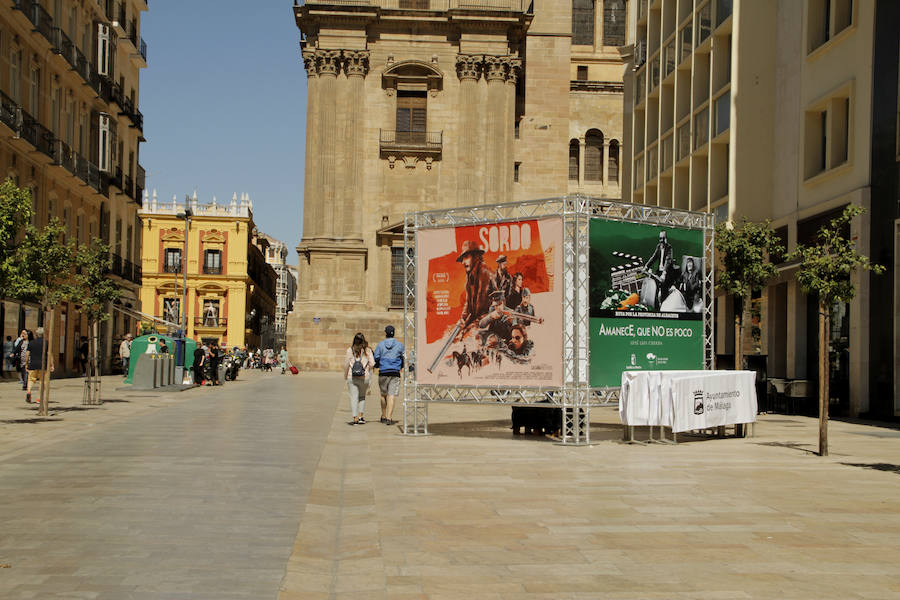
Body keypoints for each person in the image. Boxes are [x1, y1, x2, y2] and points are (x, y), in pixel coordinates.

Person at [456, 240, 494, 329]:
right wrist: (463, 318)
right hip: (479, 318)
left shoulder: (484, 271)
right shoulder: (470, 275)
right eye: (463, 259)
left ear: (475, 256)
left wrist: (467, 322)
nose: (463, 262)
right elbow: (468, 302)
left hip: (490, 319)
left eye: (466, 257)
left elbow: (480, 305)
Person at [373, 325, 404, 425]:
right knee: (391, 395)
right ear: (394, 333)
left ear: (385, 333)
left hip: (383, 371)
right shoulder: (399, 345)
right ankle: (390, 418)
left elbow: (376, 357)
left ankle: (383, 415)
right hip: (395, 372)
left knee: (383, 395)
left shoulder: (380, 345)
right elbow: (404, 357)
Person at [345, 332, 375, 425]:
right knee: (362, 397)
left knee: (353, 397)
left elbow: (346, 365)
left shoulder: (350, 350)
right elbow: (373, 363)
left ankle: (355, 418)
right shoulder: (368, 350)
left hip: (352, 377)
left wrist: (345, 375)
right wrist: (367, 368)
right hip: (364, 377)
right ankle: (361, 416)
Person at [644, 230, 675, 307]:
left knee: (664, 290)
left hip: (667, 272)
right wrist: (646, 266)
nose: (661, 240)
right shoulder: (658, 247)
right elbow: (653, 257)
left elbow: (668, 260)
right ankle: (656, 307)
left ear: (666, 239)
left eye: (663, 238)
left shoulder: (669, 248)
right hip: (659, 271)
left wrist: (664, 273)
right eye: (660, 238)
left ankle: (664, 307)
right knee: (654, 287)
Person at [25, 326, 53, 404]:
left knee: (31, 379)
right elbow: (49, 354)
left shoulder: (31, 343)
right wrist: (51, 364)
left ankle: (29, 392)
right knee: (42, 381)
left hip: (33, 364)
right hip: (43, 364)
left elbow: (27, 354)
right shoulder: (46, 343)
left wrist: (26, 364)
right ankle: (39, 399)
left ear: (36, 334)